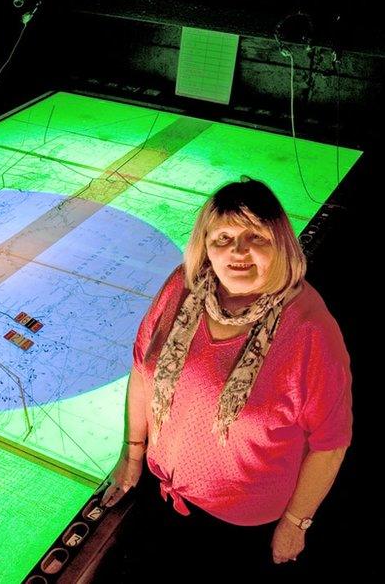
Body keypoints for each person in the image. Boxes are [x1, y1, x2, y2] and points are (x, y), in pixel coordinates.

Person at [96, 178, 352, 580]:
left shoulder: (311, 332)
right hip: (162, 491)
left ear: (281, 245)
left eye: (256, 237)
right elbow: (143, 371)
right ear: (206, 245)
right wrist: (131, 455)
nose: (238, 251)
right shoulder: (181, 288)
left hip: (239, 528)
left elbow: (330, 445)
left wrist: (295, 524)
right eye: (224, 237)